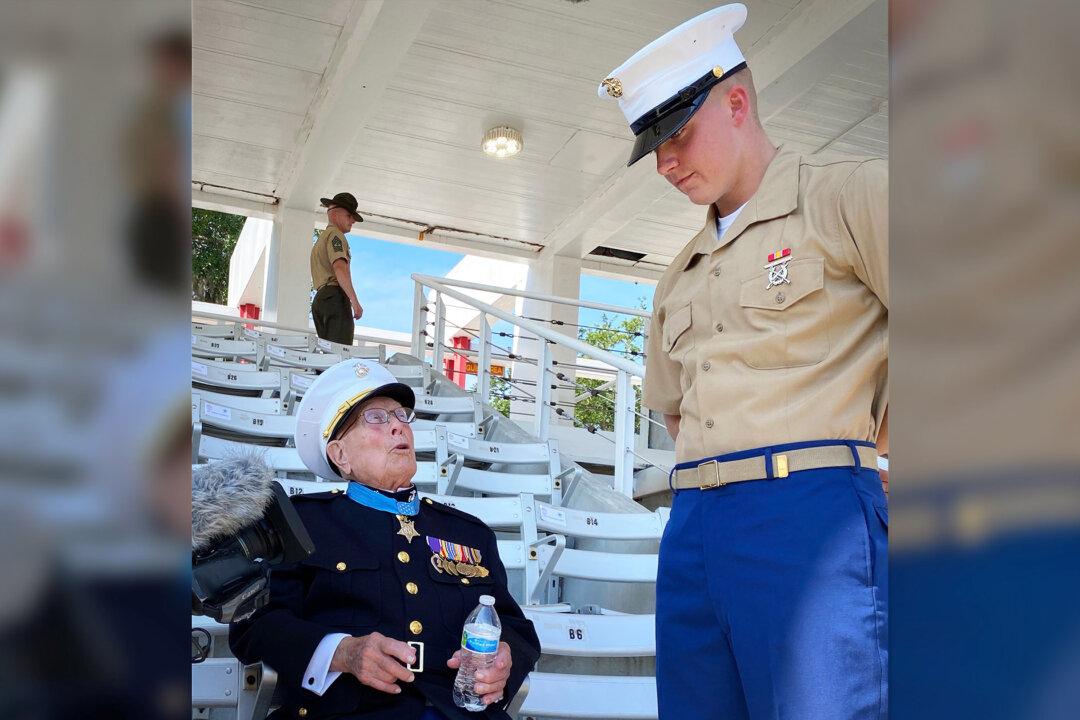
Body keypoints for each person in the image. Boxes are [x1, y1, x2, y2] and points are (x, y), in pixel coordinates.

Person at [598, 4, 887, 719]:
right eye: (653, 147)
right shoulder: (679, 274)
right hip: (694, 521)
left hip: (809, 510)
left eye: (678, 134)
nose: (665, 163)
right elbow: (675, 410)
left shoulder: (846, 196)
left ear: (736, 103)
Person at [229, 359, 541, 720]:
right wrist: (342, 652)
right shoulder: (300, 523)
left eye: (401, 416)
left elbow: (516, 628)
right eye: (376, 418)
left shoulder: (468, 533)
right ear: (340, 455)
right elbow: (253, 625)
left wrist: (506, 659)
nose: (398, 426)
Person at [310, 192, 365, 345]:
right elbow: (340, 268)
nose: (353, 220)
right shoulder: (336, 236)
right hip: (335, 297)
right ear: (335, 214)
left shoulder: (321, 239)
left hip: (320, 300)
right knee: (341, 351)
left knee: (328, 351)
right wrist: (355, 302)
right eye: (349, 215)